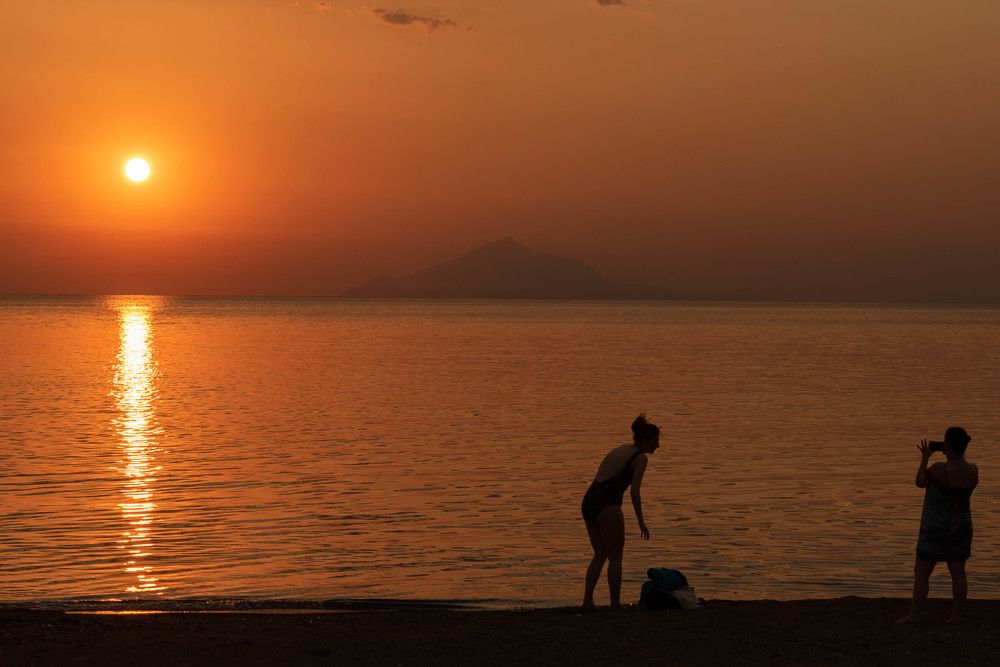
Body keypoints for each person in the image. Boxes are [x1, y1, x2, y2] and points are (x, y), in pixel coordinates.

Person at [898, 427, 978, 624]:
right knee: (958, 573)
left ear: (948, 446)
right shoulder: (973, 470)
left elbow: (919, 482)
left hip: (935, 529)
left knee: (922, 572)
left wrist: (925, 457)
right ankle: (957, 616)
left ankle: (914, 615)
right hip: (961, 528)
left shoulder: (938, 469)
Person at [580, 414, 659, 610]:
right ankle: (615, 604)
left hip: (588, 501)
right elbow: (634, 491)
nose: (658, 445)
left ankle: (587, 602)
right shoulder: (640, 458)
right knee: (615, 556)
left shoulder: (621, 449)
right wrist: (641, 521)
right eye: (656, 440)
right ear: (645, 440)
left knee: (600, 554)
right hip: (607, 504)